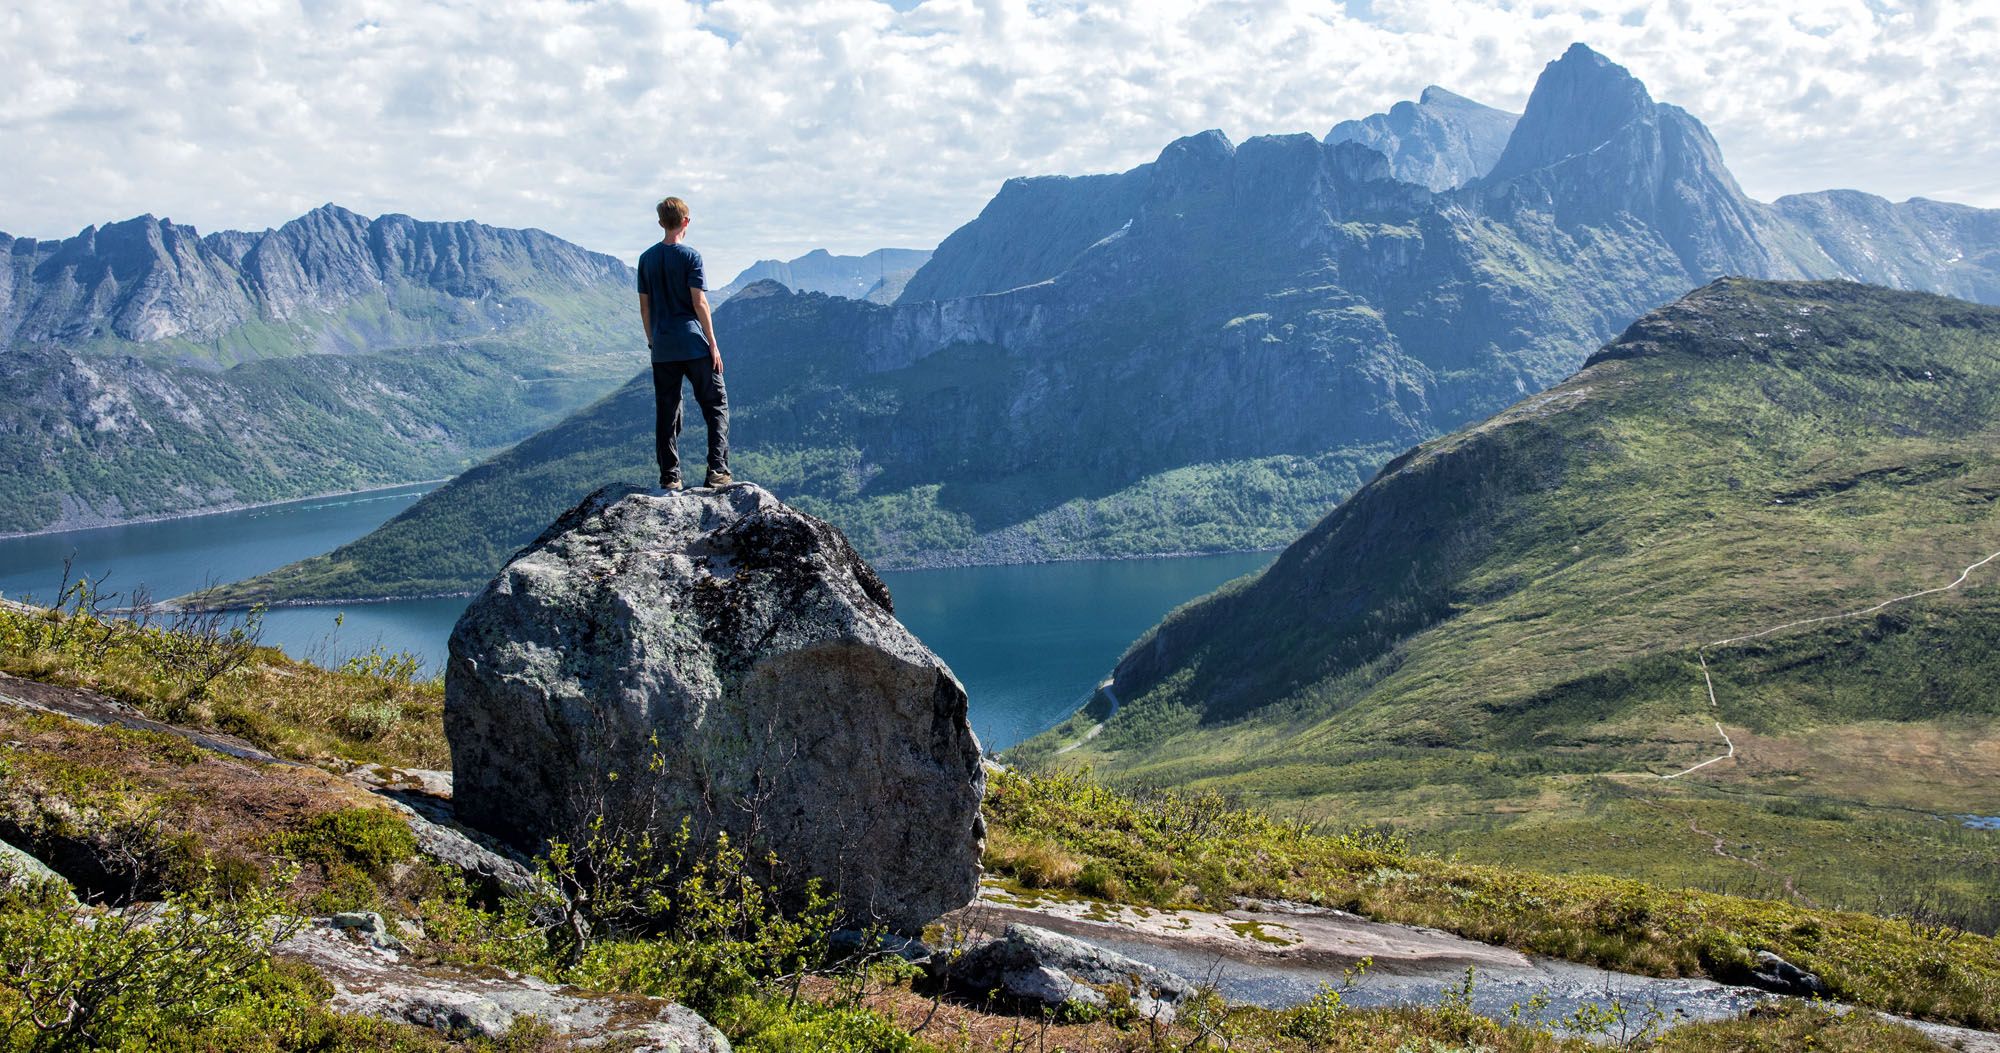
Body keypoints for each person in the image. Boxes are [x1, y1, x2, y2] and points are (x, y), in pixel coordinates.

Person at [637, 196, 731, 489]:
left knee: (667, 411)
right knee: (716, 405)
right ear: (686, 222)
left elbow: (645, 307)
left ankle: (670, 477)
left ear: (660, 223)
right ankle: (717, 471)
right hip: (692, 342)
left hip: (663, 346)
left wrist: (653, 340)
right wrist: (713, 343)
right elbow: (699, 301)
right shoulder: (691, 257)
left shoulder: (646, 259)